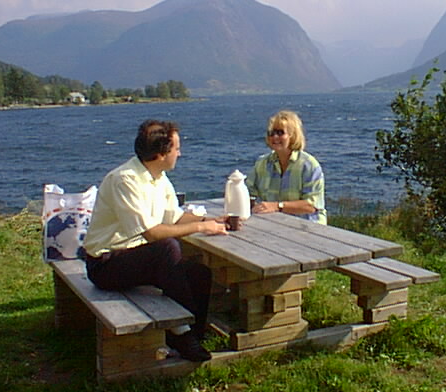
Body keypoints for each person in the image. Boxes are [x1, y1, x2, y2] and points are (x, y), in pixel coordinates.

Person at [83, 119, 228, 362]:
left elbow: (175, 217)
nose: (179, 153)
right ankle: (182, 335)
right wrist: (201, 227)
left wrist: (212, 220)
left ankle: (193, 333)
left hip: (134, 257)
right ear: (161, 154)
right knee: (167, 248)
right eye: (176, 148)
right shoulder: (125, 180)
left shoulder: (158, 177)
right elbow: (151, 233)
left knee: (199, 274)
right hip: (105, 264)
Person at [246, 110, 327, 224]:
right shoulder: (262, 163)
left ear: (292, 135)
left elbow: (311, 205)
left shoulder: (308, 165)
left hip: (307, 227)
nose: (275, 137)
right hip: (275, 224)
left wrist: (277, 206)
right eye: (271, 133)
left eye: (280, 133)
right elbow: (249, 193)